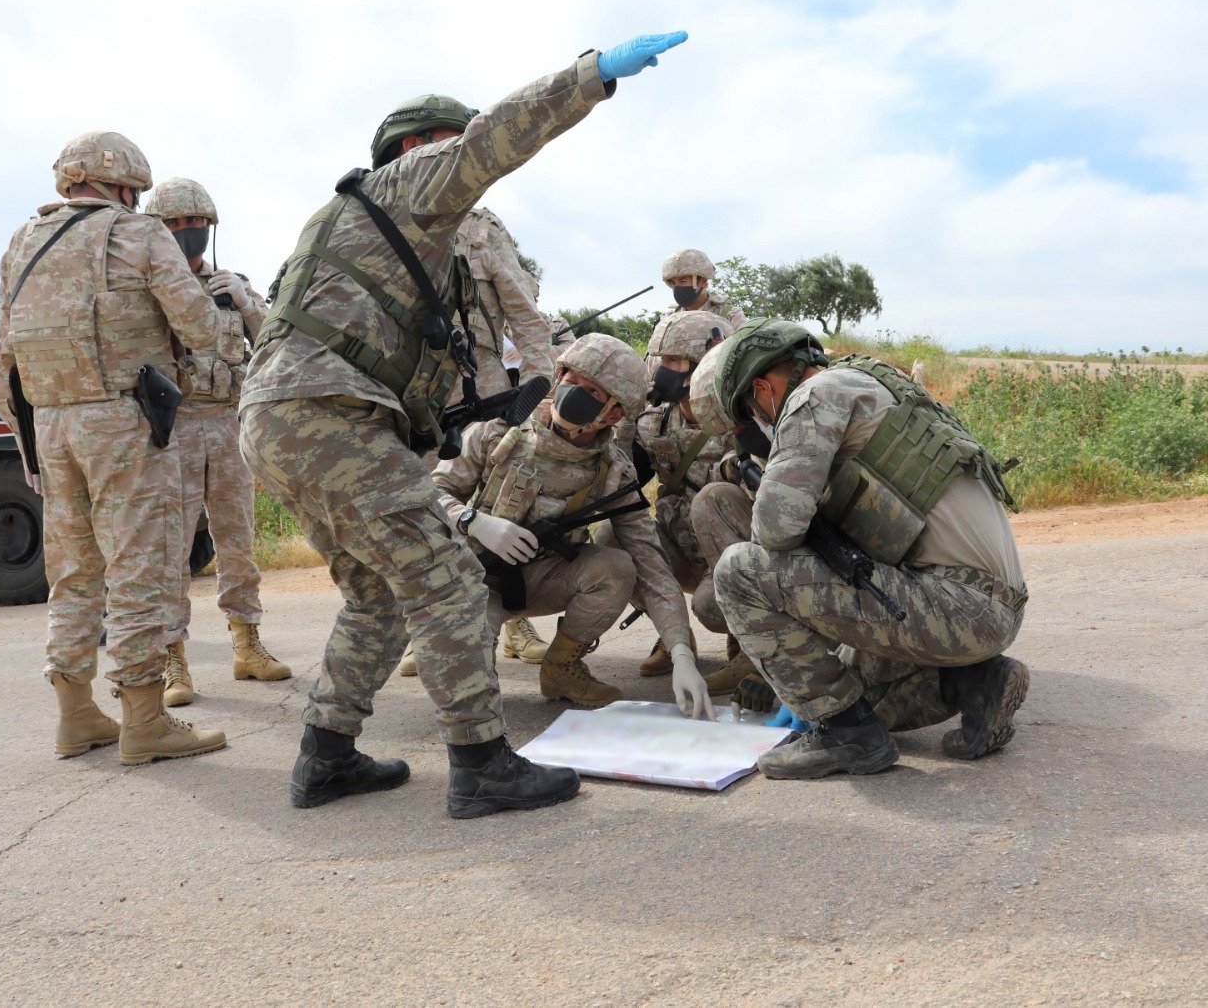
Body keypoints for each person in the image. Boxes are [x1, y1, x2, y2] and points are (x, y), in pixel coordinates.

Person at [238, 32, 689, 818]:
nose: (467, 175)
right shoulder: (409, 184)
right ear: (414, 148)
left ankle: (327, 756)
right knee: (448, 576)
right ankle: (482, 765)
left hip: (286, 417)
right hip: (327, 413)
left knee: (380, 588)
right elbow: (495, 140)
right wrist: (590, 78)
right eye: (449, 148)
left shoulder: (363, 228)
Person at [694, 319, 1030, 778]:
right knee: (863, 697)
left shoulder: (813, 397)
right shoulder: (877, 384)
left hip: (953, 605)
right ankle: (973, 682)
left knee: (741, 572)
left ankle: (847, 736)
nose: (759, 420)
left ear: (762, 387)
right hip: (989, 608)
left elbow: (774, 531)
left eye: (753, 409)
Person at [0, 131, 226, 765]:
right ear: (125, 183)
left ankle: (76, 717)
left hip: (50, 425)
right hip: (123, 422)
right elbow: (201, 327)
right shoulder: (139, 233)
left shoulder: (23, 242)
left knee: (71, 573)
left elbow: (3, 356)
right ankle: (144, 720)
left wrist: (27, 444)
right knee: (139, 567)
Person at [433, 333, 711, 717]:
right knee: (468, 698)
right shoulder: (497, 432)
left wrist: (681, 653)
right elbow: (430, 496)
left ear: (614, 415)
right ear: (558, 374)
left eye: (593, 392)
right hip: (473, 579)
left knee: (616, 567)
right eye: (571, 380)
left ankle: (561, 669)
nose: (573, 393)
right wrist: (472, 520)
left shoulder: (613, 471)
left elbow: (651, 563)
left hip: (543, 578)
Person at [142, 177, 291, 707]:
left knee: (238, 541)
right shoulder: (145, 288)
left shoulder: (233, 284)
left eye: (197, 223)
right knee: (170, 550)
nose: (189, 233)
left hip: (228, 425)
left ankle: (247, 644)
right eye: (176, 225)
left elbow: (277, 343)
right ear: (158, 230)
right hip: (172, 429)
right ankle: (171, 659)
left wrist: (247, 304)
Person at [608, 309, 749, 683]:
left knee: (711, 607)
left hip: (731, 555)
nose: (661, 370)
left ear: (703, 364)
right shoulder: (654, 419)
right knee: (610, 540)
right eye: (658, 360)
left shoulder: (742, 418)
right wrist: (625, 417)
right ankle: (675, 639)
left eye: (672, 361)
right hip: (679, 546)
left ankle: (751, 644)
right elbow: (620, 479)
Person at [453, 206, 558, 665]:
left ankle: (515, 624)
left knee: (499, 503)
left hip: (485, 390)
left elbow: (527, 320)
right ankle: (434, 631)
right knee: (428, 509)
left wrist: (534, 399)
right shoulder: (392, 220)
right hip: (416, 401)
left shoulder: (481, 231)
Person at [659, 249, 745, 328]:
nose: (677, 287)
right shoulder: (667, 320)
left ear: (703, 281)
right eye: (673, 283)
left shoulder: (729, 315)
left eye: (683, 281)